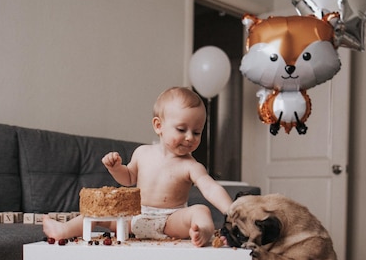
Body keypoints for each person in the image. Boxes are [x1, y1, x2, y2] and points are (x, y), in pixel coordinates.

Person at [43, 86, 232, 246]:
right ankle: (63, 230)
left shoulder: (191, 165)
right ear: (158, 126)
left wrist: (232, 210)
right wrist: (116, 168)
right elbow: (129, 178)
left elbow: (210, 188)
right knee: (98, 213)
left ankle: (203, 232)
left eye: (197, 132)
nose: (190, 137)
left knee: (201, 210)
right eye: (182, 130)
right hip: (134, 219)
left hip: (170, 220)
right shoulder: (142, 153)